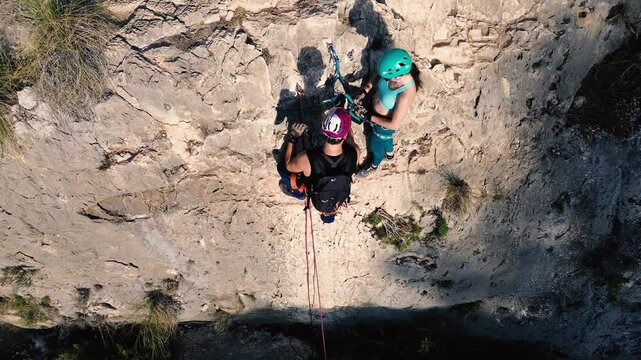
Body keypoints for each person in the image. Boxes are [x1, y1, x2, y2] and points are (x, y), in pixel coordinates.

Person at [284, 108, 358, 223]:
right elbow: (350, 139)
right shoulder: (355, 152)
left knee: (282, 168)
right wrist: (293, 136)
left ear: (323, 130)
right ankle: (298, 194)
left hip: (313, 169)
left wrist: (292, 138)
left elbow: (288, 165)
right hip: (315, 182)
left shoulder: (306, 158)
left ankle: (295, 192)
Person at [356, 48, 421, 177]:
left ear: (397, 77)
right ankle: (390, 155)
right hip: (376, 117)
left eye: (388, 77)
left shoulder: (406, 93)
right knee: (387, 139)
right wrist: (366, 90)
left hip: (382, 125)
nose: (385, 79)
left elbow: (394, 125)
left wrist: (368, 116)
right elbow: (379, 74)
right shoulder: (392, 71)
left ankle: (374, 165)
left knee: (376, 147)